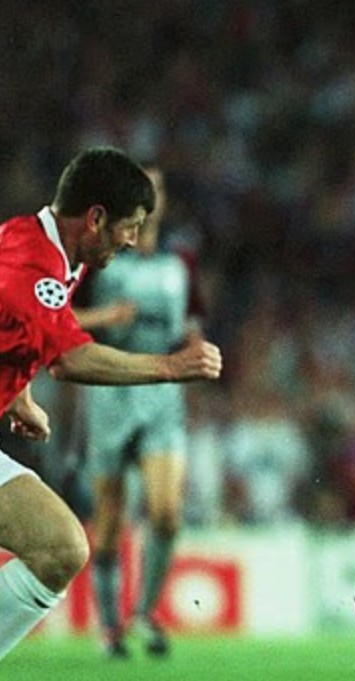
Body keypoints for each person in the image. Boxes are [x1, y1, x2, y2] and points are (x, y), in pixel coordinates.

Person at [0, 147, 222, 662]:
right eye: (130, 226)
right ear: (96, 218)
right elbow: (70, 357)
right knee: (63, 544)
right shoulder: (32, 263)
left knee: (60, 548)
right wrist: (168, 367)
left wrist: (17, 395)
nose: (132, 240)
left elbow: (22, 329)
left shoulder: (52, 253)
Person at [73, 167, 205, 658]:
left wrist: (196, 348)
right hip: (110, 388)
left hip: (162, 391)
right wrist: (106, 316)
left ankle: (146, 613)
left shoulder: (179, 259)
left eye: (157, 189)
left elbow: (191, 322)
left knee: (167, 513)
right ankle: (110, 628)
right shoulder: (98, 254)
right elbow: (60, 316)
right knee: (109, 518)